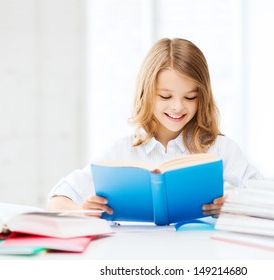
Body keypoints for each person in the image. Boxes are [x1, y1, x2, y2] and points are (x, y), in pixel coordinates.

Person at [46, 38, 262, 219]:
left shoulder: (221, 149)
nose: (178, 106)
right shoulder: (121, 151)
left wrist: (235, 207)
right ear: (146, 93)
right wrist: (83, 212)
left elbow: (268, 200)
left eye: (190, 97)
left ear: (202, 98)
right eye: (165, 96)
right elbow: (57, 201)